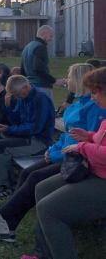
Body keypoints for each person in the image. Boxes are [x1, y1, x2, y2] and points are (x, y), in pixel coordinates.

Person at [0, 63, 105, 241]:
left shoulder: (94, 108)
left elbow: (88, 142)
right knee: (27, 173)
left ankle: (6, 221)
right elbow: (68, 135)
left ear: (78, 80)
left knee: (35, 178)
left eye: (69, 76)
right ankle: (10, 215)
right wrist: (52, 150)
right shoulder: (79, 103)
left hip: (76, 160)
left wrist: (55, 154)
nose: (66, 79)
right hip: (64, 152)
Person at [23, 67, 106, 259]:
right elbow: (101, 139)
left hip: (102, 180)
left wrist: (83, 146)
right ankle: (44, 253)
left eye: (95, 92)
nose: (92, 97)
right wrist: (90, 136)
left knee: (49, 210)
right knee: (41, 188)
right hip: (94, 172)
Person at [0, 75, 55, 198]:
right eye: (14, 95)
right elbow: (17, 120)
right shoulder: (23, 97)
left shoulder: (40, 99)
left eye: (17, 94)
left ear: (26, 87)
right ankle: (0, 182)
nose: (16, 97)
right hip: (25, 136)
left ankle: (8, 186)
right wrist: (8, 107)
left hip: (39, 141)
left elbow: (36, 128)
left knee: (0, 147)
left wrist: (10, 130)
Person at [20, 25, 63, 100]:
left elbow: (22, 70)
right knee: (45, 110)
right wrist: (54, 81)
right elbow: (39, 68)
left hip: (30, 87)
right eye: (50, 36)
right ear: (44, 34)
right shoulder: (40, 47)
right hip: (42, 88)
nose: (51, 39)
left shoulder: (27, 47)